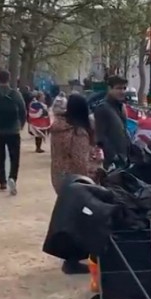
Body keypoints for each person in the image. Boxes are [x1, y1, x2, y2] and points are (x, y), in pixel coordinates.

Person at [48, 93, 101, 275]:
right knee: (79, 220)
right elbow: (80, 162)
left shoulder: (59, 128)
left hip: (59, 175)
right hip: (75, 179)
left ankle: (70, 258)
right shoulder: (78, 131)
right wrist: (94, 171)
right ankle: (72, 260)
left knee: (67, 218)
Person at [93, 75, 131, 169]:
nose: (122, 91)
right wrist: (114, 156)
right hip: (112, 163)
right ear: (109, 89)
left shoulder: (121, 107)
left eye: (124, 88)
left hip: (124, 159)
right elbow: (100, 137)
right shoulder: (103, 108)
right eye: (118, 88)